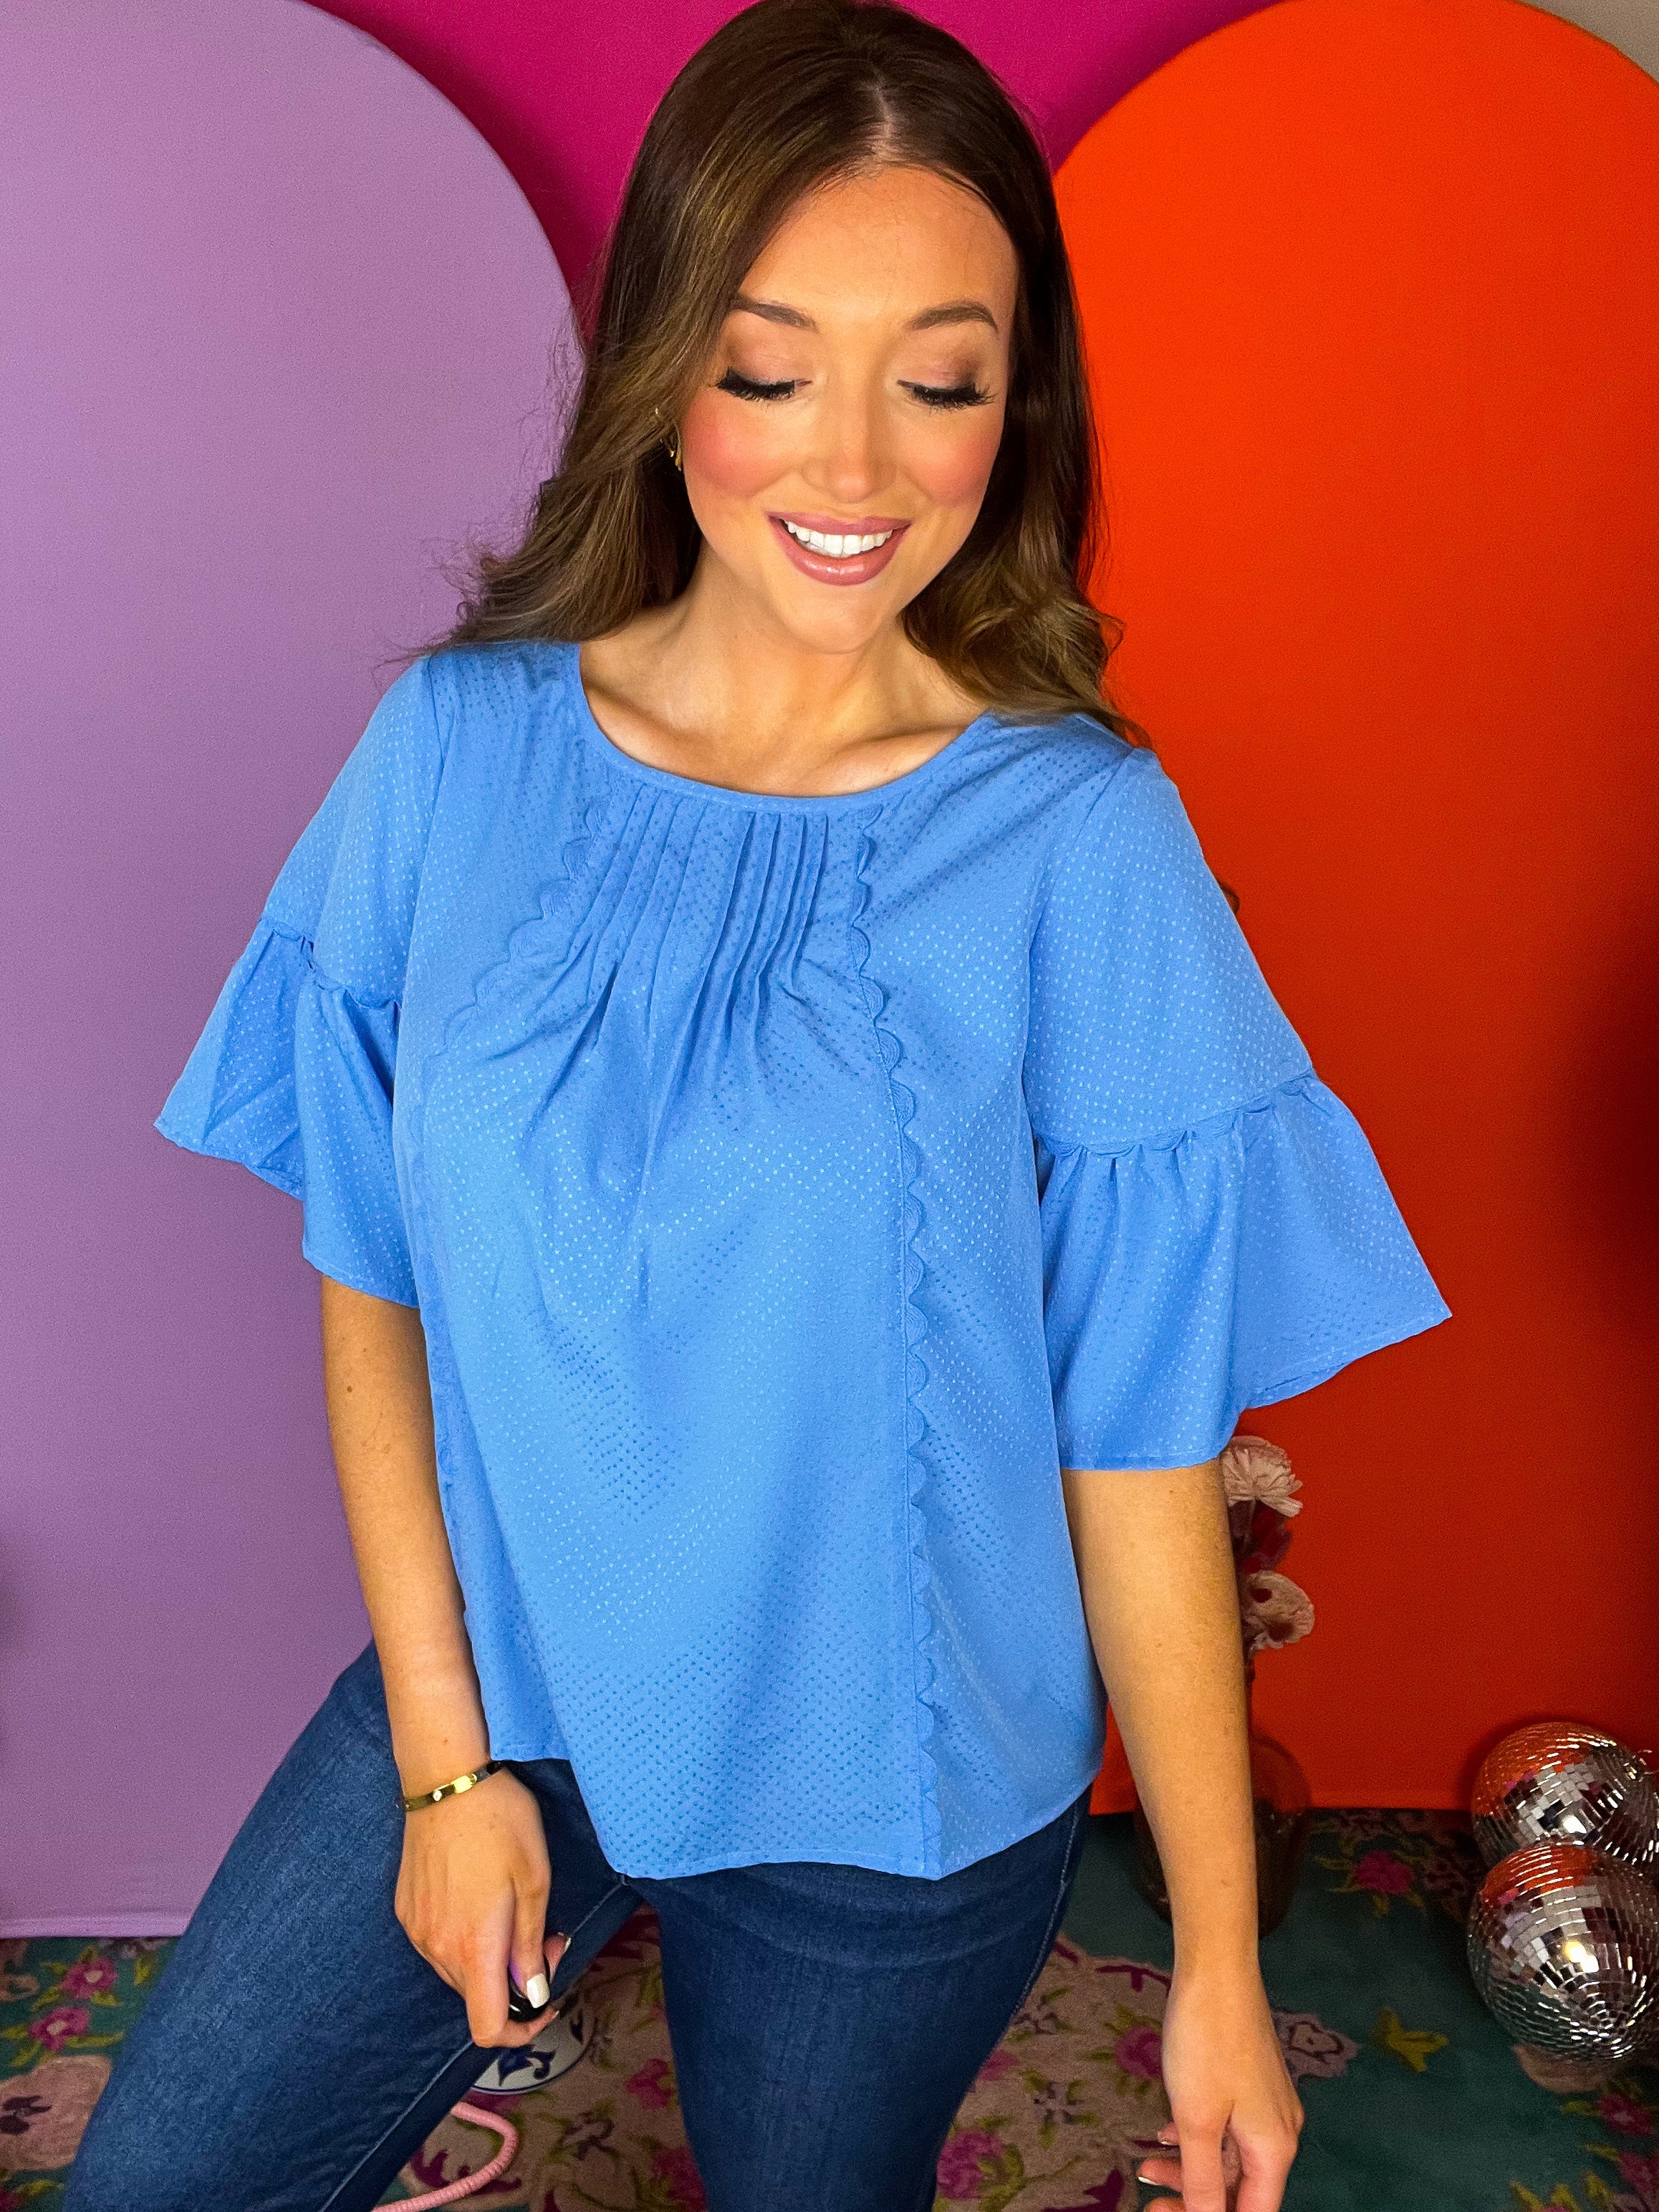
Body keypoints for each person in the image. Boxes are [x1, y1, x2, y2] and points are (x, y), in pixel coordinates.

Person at [66, 4, 1450, 2208]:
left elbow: (1134, 1437)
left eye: (939, 380)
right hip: (511, 1685)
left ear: (1017, 400)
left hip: (892, 1785)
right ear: (662, 374)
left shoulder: (1075, 836)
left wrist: (1211, 1956)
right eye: (771, 369)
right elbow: (375, 1269)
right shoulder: (455, 753)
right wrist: (443, 1764)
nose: (855, 467)